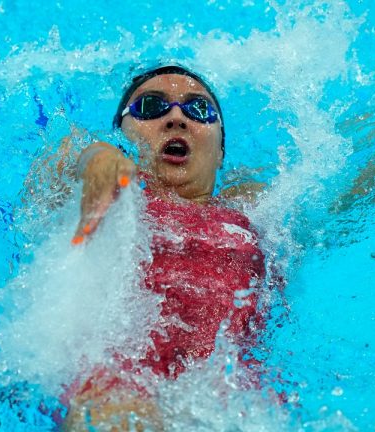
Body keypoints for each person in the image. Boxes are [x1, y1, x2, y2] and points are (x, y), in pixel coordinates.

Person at [58, 65, 270, 431]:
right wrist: (99, 162)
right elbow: (66, 164)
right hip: (117, 384)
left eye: (199, 110)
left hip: (233, 393)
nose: (176, 118)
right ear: (122, 135)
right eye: (151, 106)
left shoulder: (254, 208)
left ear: (220, 152)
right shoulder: (117, 198)